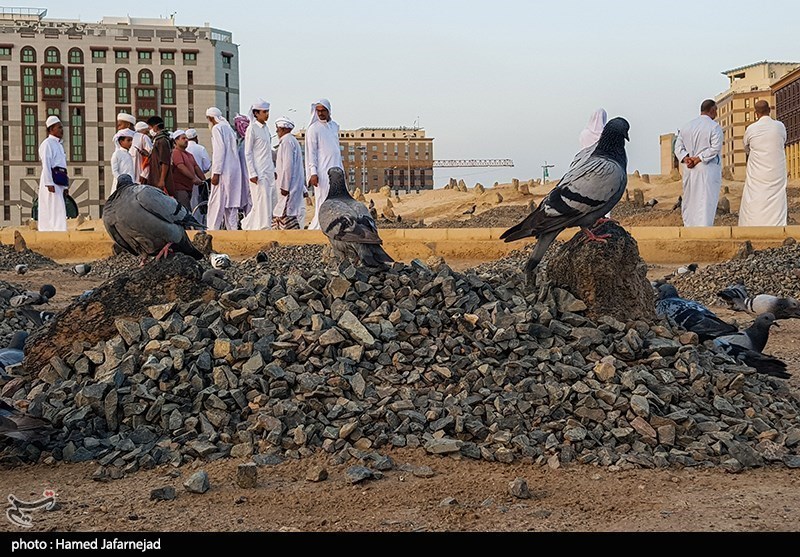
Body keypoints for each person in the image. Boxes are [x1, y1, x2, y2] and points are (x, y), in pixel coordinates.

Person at [738, 100, 788, 227]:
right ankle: (777, 225)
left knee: (756, 197)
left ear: (756, 114)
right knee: (776, 197)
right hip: (775, 170)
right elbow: (783, 141)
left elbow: (746, 147)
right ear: (769, 110)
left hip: (758, 171)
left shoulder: (751, 129)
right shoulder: (779, 126)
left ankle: (752, 225)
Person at [674, 99, 723, 227]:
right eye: (716, 110)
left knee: (691, 200)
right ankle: (704, 228)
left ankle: (689, 227)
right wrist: (698, 158)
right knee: (706, 200)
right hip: (707, 167)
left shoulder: (687, 126)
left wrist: (686, 158)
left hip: (689, 168)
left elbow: (678, 148)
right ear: (712, 110)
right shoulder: (714, 127)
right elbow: (715, 148)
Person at [305, 98, 343, 230]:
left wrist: (341, 171)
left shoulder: (334, 126)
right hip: (322, 172)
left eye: (323, 110)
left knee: (337, 199)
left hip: (336, 170)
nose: (320, 113)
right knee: (323, 200)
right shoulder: (313, 129)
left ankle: (334, 226)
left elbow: (336, 151)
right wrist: (313, 173)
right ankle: (320, 226)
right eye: (318, 111)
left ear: (329, 111)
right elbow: (312, 153)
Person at [206, 107, 244, 230]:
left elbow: (219, 151)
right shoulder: (228, 128)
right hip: (233, 171)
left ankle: (213, 231)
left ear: (211, 118)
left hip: (223, 171)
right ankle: (232, 232)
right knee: (231, 205)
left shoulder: (217, 128)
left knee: (216, 203)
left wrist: (216, 173)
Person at [242, 99, 277, 230]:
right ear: (256, 113)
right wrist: (252, 172)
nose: (267, 114)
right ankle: (262, 228)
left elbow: (267, 152)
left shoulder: (266, 129)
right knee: (260, 200)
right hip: (258, 171)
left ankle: (253, 225)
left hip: (268, 169)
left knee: (268, 200)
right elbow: (248, 152)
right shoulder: (252, 129)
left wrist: (273, 169)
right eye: (264, 112)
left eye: (267, 111)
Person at [273, 116, 308, 230]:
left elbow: (287, 167)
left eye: (278, 129)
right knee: (285, 214)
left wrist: (285, 187)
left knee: (284, 214)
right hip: (292, 185)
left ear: (283, 129)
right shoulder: (291, 141)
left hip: (289, 187)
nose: (277, 132)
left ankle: (291, 241)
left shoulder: (287, 142)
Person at [37, 116, 69, 232]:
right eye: (59, 127)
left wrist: (65, 186)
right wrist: (49, 183)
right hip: (51, 180)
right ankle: (51, 231)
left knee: (58, 207)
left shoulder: (59, 145)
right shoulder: (47, 144)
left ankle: (59, 230)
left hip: (60, 180)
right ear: (51, 129)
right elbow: (46, 164)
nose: (62, 130)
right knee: (52, 207)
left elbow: (63, 166)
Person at [171, 129, 207, 212]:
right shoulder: (176, 152)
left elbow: (196, 167)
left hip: (188, 188)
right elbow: (181, 166)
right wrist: (193, 178)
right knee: (185, 211)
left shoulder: (189, 154)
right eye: (183, 138)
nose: (186, 140)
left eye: (186, 138)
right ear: (176, 141)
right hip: (180, 188)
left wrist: (204, 181)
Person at [185, 128, 211, 221]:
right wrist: (202, 172)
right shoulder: (201, 148)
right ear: (196, 138)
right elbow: (207, 166)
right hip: (199, 181)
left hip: (185, 181)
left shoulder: (184, 149)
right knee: (198, 203)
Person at [145, 116, 174, 196]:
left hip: (159, 178)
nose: (149, 130)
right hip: (155, 177)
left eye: (150, 127)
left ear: (155, 127)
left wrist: (162, 180)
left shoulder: (162, 141)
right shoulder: (157, 140)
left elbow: (164, 162)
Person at [110, 129, 135, 195]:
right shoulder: (117, 154)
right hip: (120, 185)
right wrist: (122, 180)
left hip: (130, 184)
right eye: (128, 140)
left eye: (131, 140)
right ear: (121, 141)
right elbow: (114, 171)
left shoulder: (128, 154)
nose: (131, 143)